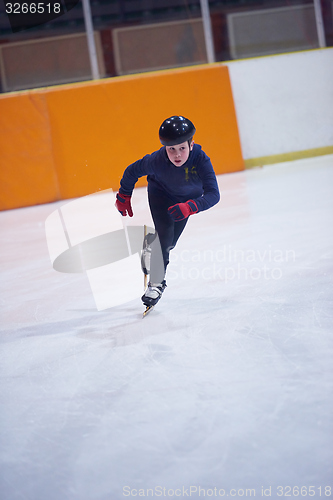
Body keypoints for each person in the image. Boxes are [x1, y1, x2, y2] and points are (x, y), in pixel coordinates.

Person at [115, 115, 220, 307]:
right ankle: (156, 284)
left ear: (191, 144)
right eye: (171, 149)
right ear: (165, 148)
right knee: (164, 237)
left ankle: (150, 245)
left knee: (169, 243)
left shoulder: (201, 161)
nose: (177, 154)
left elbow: (214, 194)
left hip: (185, 202)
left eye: (182, 148)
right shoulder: (157, 160)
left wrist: (190, 207)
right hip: (161, 195)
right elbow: (132, 171)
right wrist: (123, 195)